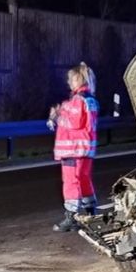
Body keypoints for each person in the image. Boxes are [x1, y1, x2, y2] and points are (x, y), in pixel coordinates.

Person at [49, 62, 99, 232]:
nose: (69, 83)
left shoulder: (78, 101)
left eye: (71, 79)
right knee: (83, 179)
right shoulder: (89, 99)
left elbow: (75, 123)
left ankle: (71, 217)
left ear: (79, 79)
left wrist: (57, 117)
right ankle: (91, 212)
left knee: (71, 182)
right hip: (85, 149)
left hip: (73, 150)